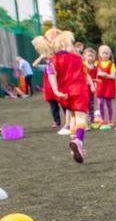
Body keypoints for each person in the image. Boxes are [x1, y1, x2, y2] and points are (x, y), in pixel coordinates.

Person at [36, 29, 91, 163]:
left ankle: (74, 145)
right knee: (81, 117)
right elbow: (85, 72)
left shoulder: (52, 61)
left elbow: (51, 75)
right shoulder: (76, 57)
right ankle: (79, 141)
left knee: (72, 116)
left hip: (65, 94)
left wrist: (56, 91)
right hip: (79, 90)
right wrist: (92, 85)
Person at [95, 45, 116, 127]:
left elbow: (114, 76)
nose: (105, 55)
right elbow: (95, 74)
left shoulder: (112, 64)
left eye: (106, 53)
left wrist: (105, 75)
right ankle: (101, 119)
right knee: (100, 103)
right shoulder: (96, 63)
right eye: (103, 53)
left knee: (109, 104)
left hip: (109, 87)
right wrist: (101, 74)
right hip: (100, 86)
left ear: (110, 54)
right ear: (100, 54)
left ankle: (110, 120)